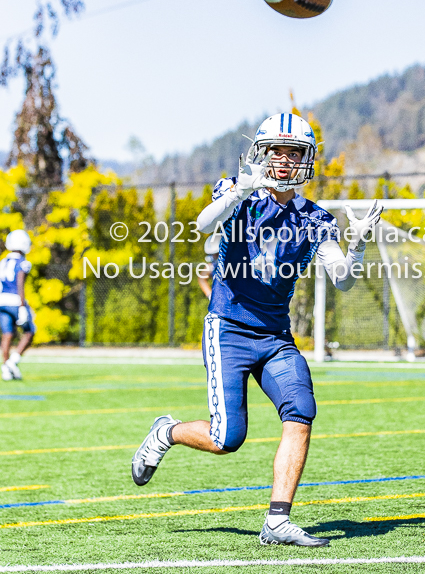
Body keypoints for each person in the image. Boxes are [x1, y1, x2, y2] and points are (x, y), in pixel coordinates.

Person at [132, 113, 382, 546]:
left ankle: (277, 521)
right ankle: (166, 431)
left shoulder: (315, 218)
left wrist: (357, 246)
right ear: (262, 154)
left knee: (301, 411)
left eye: (294, 153)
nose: (284, 161)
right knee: (227, 438)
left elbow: (341, 278)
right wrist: (238, 193)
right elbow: (203, 225)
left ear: (306, 159)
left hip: (275, 336)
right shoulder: (237, 191)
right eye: (277, 152)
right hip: (229, 327)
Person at [0, 230, 36, 381]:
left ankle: (5, 367)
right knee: (30, 331)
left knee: (7, 334)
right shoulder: (22, 262)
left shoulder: (3, 261)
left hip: (2, 301)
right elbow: (19, 284)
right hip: (15, 301)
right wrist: (22, 307)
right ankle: (12, 362)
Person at [197, 234, 221, 300]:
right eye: (213, 254)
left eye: (216, 254)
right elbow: (201, 278)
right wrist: (211, 296)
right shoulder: (213, 265)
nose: (214, 257)